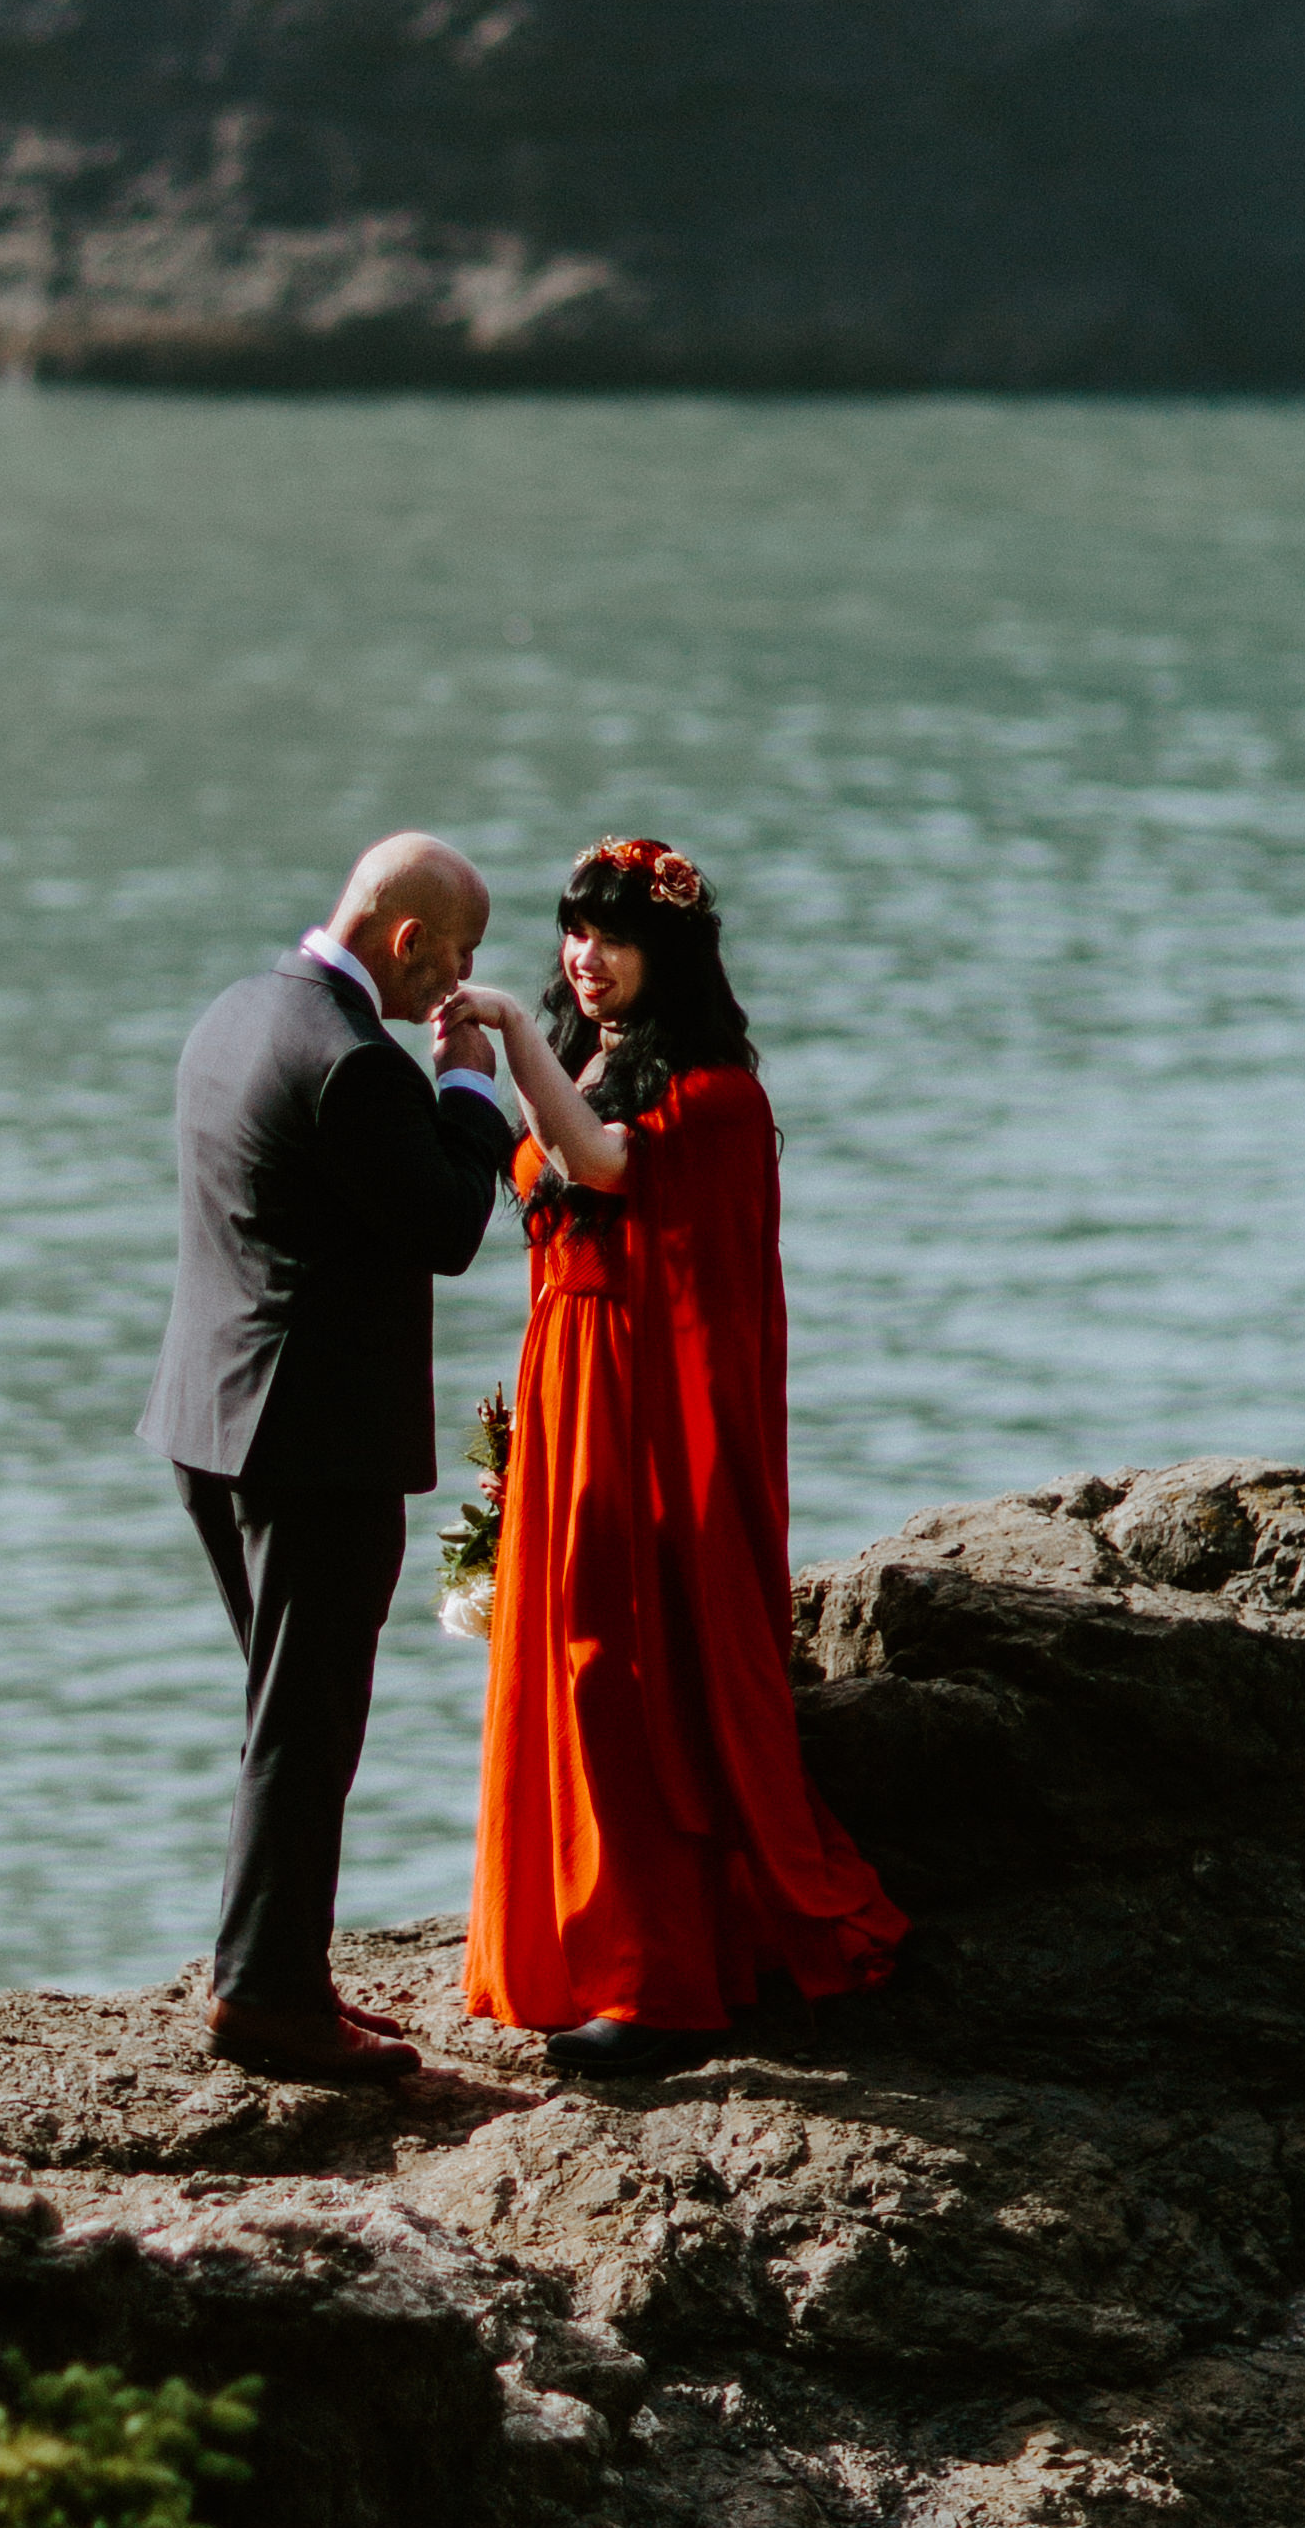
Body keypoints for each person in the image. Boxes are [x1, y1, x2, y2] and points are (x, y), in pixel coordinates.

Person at [439, 838, 903, 2079]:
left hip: (650, 1416)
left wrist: (501, 1037)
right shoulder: (585, 1063)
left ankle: (660, 1982)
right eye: (572, 931)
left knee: (623, 1669)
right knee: (564, 1664)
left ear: (672, 953)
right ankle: (572, 1951)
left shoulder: (712, 1098)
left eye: (614, 934)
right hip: (571, 1388)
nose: (584, 957)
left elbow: (599, 1162)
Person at [141, 833, 514, 2084]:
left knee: (282, 1718)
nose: (457, 982)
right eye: (456, 955)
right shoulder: (358, 1063)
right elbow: (450, 1225)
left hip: (210, 1421)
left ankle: (277, 1970)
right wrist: (467, 1083)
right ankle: (265, 1998)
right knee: (307, 1725)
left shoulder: (237, 1013)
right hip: (313, 1445)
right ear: (405, 940)